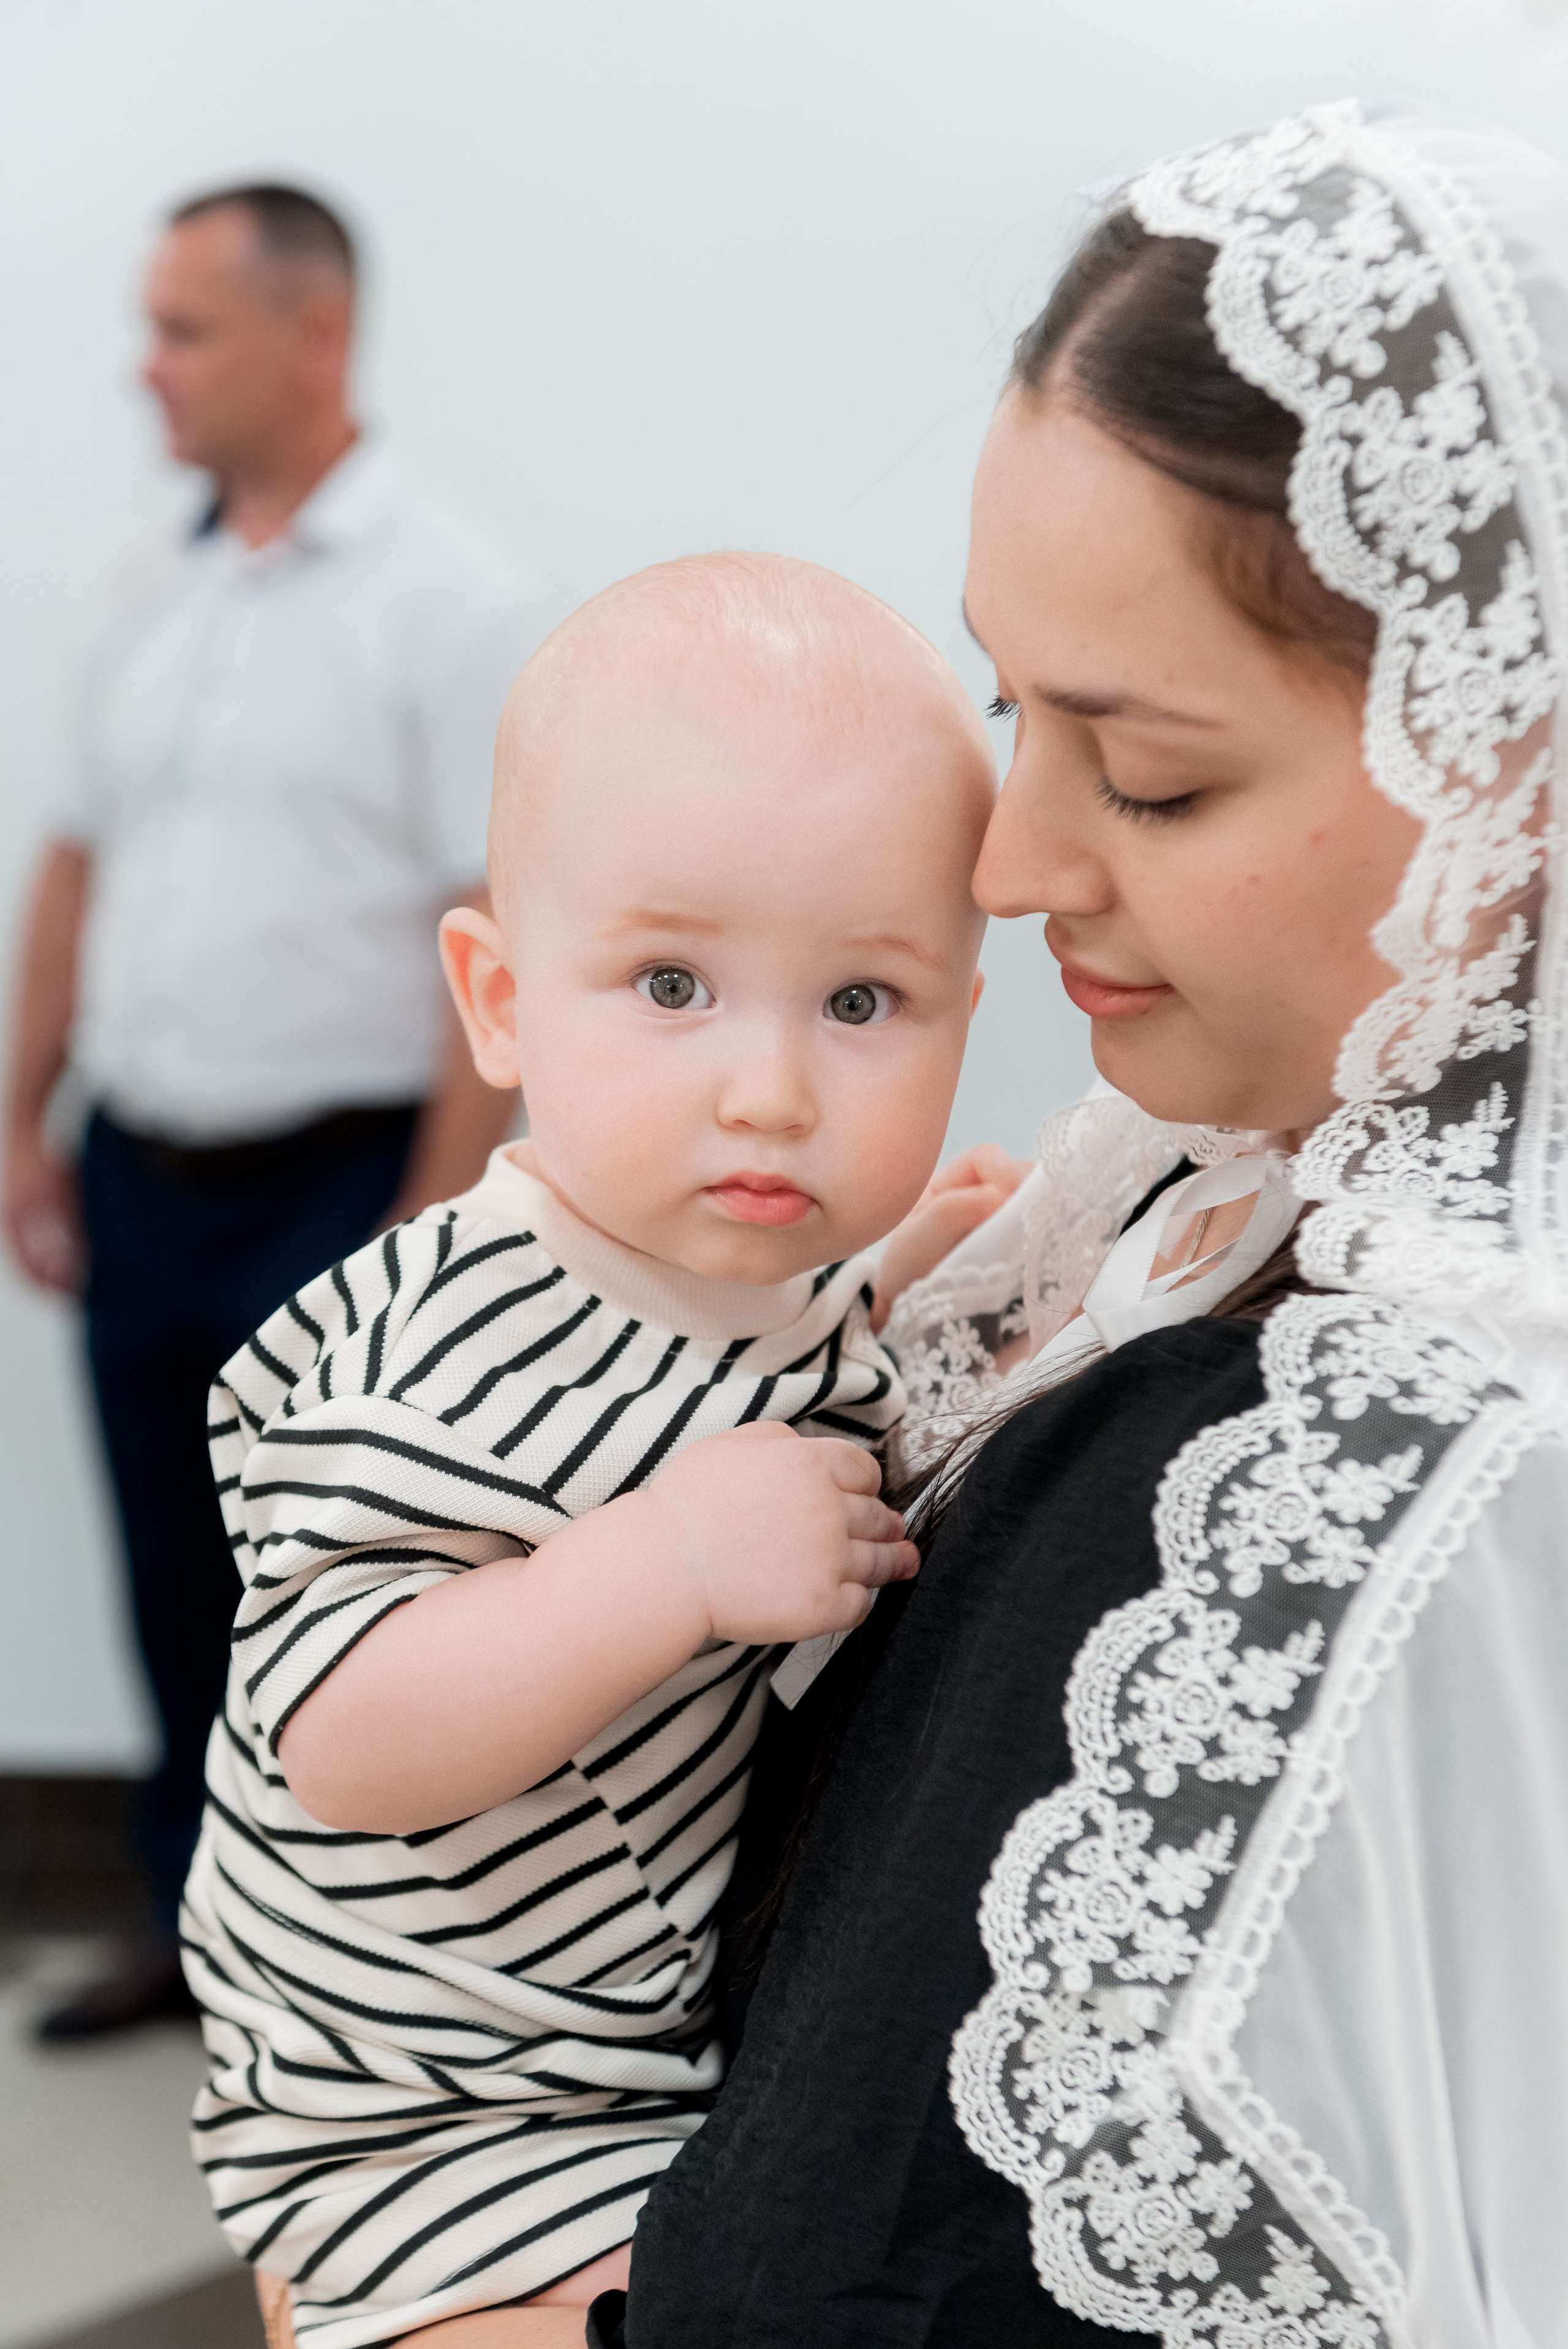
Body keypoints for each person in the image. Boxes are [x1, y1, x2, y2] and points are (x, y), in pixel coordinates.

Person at [530, 104, 1565, 2349]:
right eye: (1009, 702)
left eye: (1152, 771)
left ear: (1519, 757)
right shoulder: (1190, 1207)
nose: (1004, 865)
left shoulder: (1299, 1474)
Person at [179, 552, 1005, 2346]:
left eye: (861, 1003)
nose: (770, 1086)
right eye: (671, 983)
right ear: (498, 997)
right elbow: (344, 1730)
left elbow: (726, 1386)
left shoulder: (734, 1268)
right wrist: (665, 1568)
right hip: (427, 2110)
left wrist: (897, 1277)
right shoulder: (444, 1343)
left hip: (623, 2049)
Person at [3, 181, 541, 2040]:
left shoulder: (449, 601)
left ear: (314, 337)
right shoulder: (139, 584)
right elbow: (73, 860)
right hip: (137, 1173)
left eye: (183, 329)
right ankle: (187, 1926)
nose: (145, 368)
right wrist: (18, 1119)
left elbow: (491, 937)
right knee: (168, 1565)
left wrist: (431, 1222)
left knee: (323, 1582)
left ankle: (339, 1973)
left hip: (339, 1189)